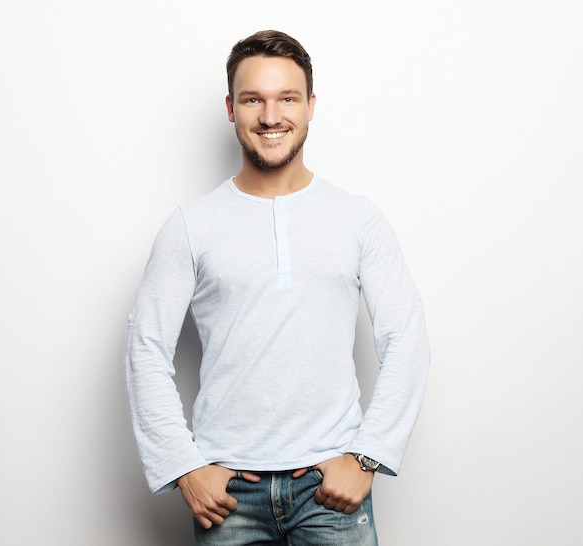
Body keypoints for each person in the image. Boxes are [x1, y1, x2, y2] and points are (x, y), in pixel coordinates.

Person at [125, 30, 430, 545]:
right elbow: (145, 347)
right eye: (253, 100)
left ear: (311, 106)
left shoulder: (357, 218)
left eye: (287, 98)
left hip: (330, 488)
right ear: (231, 107)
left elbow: (407, 339)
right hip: (227, 496)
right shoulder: (191, 225)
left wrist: (368, 455)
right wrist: (183, 466)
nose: (271, 117)